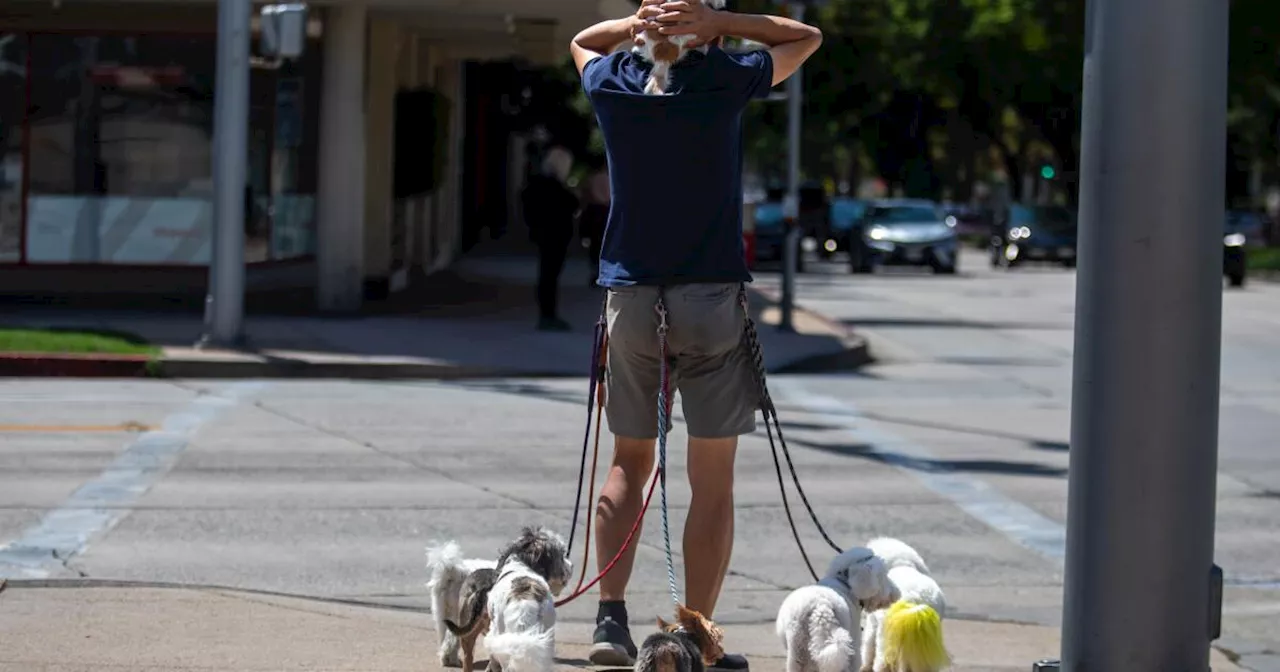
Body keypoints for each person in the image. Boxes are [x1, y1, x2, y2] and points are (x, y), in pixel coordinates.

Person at [569, 2, 822, 670]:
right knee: (712, 478)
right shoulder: (727, 77)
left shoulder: (613, 83)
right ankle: (697, 637)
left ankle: (611, 620)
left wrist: (635, 26)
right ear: (700, 29)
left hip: (630, 295)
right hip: (710, 295)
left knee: (628, 461)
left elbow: (579, 41)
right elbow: (806, 37)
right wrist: (724, 21)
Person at [522, 146, 579, 331]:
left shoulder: (538, 185)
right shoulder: (554, 187)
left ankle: (547, 314)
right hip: (554, 237)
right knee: (549, 277)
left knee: (547, 275)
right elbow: (572, 204)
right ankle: (548, 315)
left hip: (545, 236)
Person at [578, 156, 611, 285]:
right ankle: (602, 270)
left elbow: (585, 196)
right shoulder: (609, 178)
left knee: (594, 244)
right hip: (605, 211)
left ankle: (595, 271)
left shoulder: (590, 179)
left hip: (594, 210)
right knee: (604, 242)